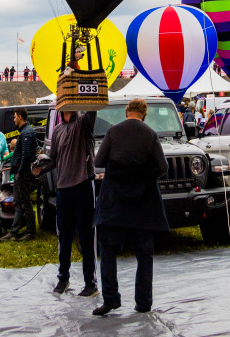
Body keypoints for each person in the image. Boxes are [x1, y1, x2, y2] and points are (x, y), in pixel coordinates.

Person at [92, 98, 168, 316]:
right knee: (144, 253)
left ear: (127, 112)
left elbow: (98, 160)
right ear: (144, 114)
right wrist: (146, 177)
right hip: (143, 203)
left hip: (114, 200)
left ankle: (111, 299)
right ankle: (144, 302)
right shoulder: (151, 134)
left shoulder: (113, 132)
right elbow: (163, 167)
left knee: (108, 250)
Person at [33, 109, 97, 295]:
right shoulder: (58, 129)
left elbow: (92, 110)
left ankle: (90, 283)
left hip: (83, 185)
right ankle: (63, 278)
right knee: (64, 235)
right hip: (63, 189)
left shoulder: (84, 122)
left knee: (86, 237)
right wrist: (40, 167)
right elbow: (54, 159)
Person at [3, 108, 37, 240]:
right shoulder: (24, 132)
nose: (13, 119)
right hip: (20, 173)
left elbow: (27, 155)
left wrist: (20, 172)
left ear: (21, 117)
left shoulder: (27, 132)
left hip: (22, 174)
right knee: (19, 202)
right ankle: (14, 231)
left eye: (15, 117)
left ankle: (30, 231)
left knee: (25, 202)